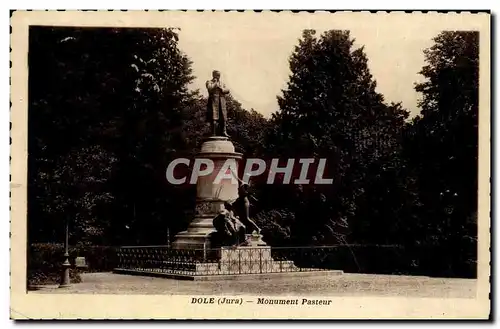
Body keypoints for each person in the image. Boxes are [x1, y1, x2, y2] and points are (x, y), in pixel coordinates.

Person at [206, 70, 230, 137]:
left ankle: (224, 131)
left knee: (223, 118)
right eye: (217, 75)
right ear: (213, 75)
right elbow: (209, 88)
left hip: (221, 102)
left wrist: (222, 89)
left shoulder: (222, 83)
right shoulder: (209, 82)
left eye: (219, 75)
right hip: (213, 102)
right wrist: (215, 83)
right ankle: (213, 133)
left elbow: (227, 90)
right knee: (214, 118)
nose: (218, 77)